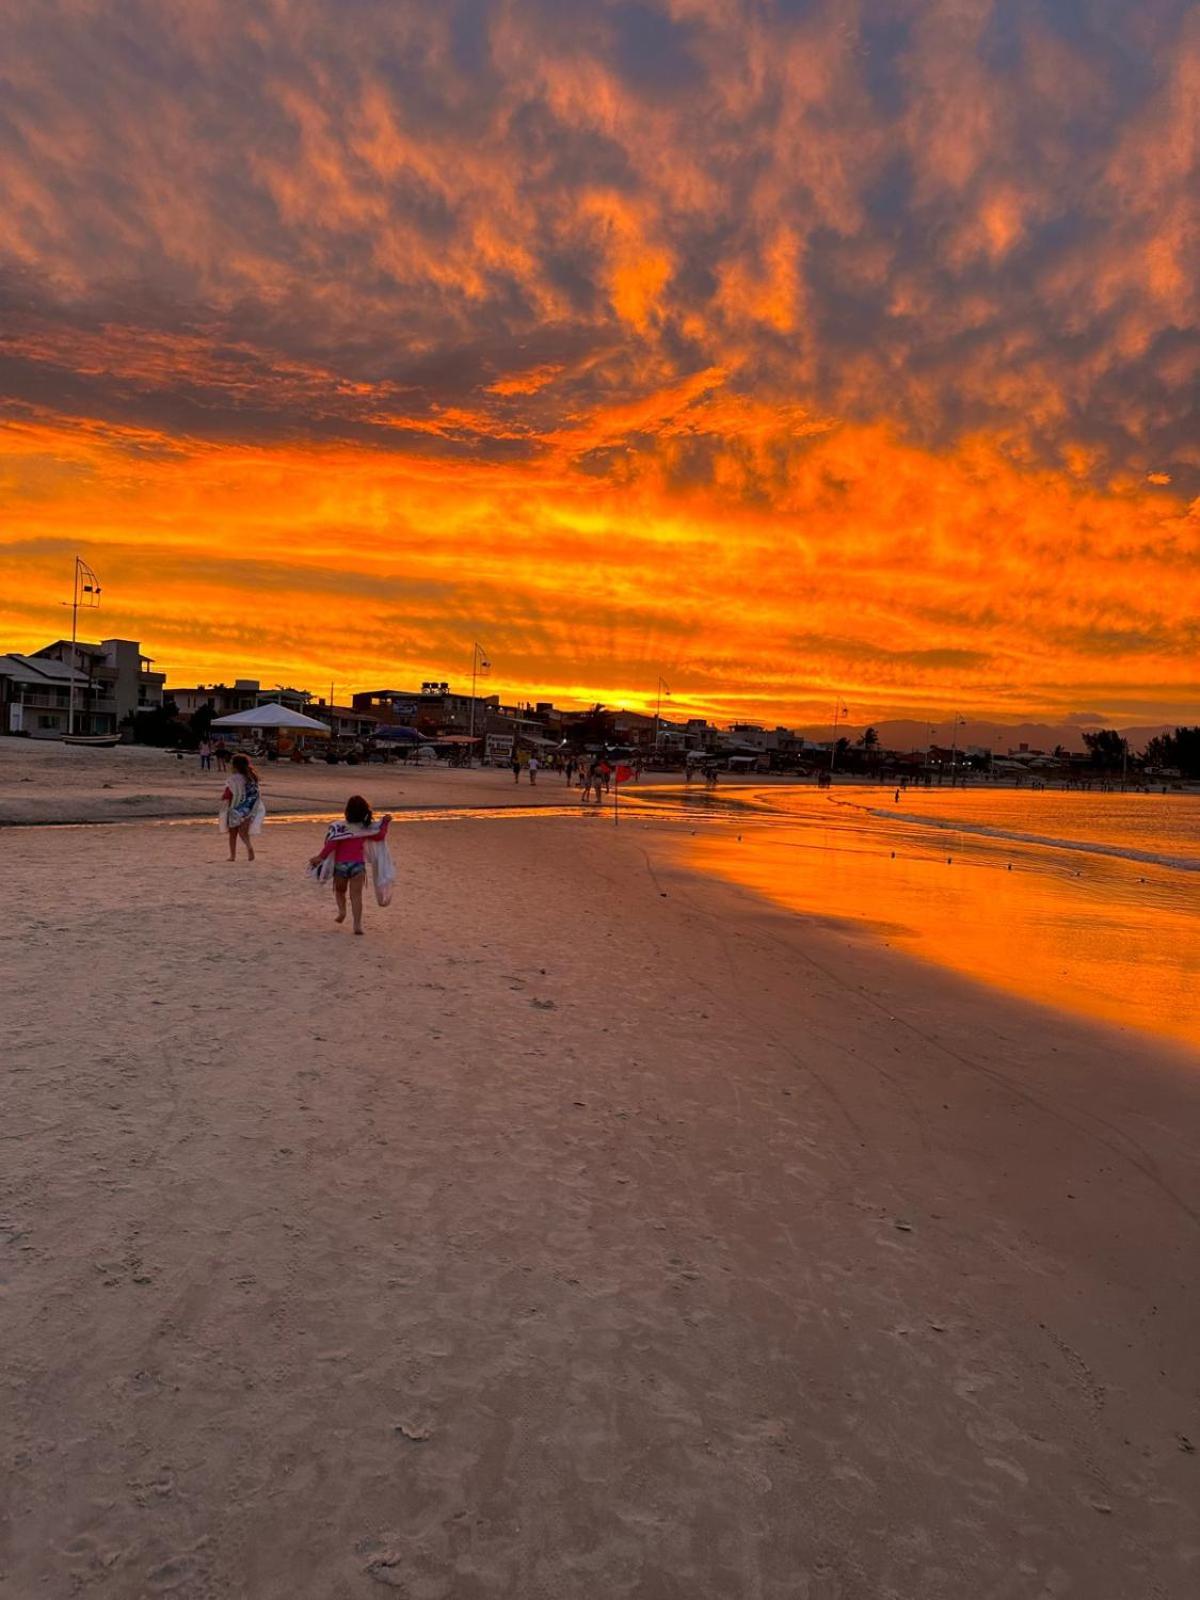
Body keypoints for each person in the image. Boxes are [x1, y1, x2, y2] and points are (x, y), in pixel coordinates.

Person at [309, 796, 393, 935]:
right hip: (358, 866)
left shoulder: (339, 827)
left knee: (340, 891)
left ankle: (342, 912)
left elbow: (331, 844)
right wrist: (385, 823)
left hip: (341, 866)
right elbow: (380, 835)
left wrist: (320, 857)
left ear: (347, 811)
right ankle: (357, 925)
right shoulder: (363, 829)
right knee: (356, 896)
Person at [218, 753, 265, 862]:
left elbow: (229, 793)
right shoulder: (251, 778)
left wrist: (224, 798)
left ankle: (232, 856)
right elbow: (255, 794)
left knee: (233, 833)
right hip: (248, 809)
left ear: (235, 766)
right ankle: (249, 848)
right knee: (243, 833)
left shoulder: (233, 779)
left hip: (234, 808)